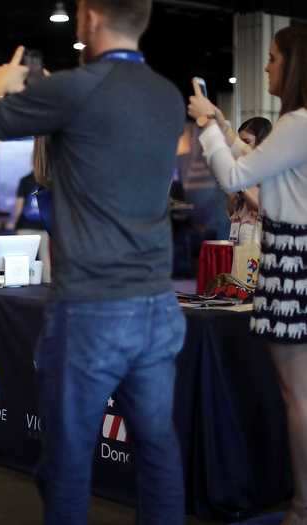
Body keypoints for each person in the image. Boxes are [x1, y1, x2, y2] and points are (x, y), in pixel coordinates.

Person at [0, 0, 187, 523]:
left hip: (92, 308)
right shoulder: (167, 95)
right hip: (158, 303)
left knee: (67, 457)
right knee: (158, 449)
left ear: (88, 18)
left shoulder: (76, 87)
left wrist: (1, 78)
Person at [188, 26, 307, 525]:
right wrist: (221, 122)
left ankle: (303, 507)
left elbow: (235, 177)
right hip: (289, 258)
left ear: (293, 64)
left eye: (274, 57)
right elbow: (255, 165)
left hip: (292, 261)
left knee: (297, 394)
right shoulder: (295, 127)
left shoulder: (298, 123)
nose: (266, 65)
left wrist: (207, 127)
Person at [224, 117, 272, 244]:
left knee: (250, 263)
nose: (241, 148)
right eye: (239, 142)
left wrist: (242, 188)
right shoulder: (241, 169)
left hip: (256, 233)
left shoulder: (269, 169)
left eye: (246, 142)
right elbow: (230, 209)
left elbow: (263, 206)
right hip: (237, 229)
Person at [7, 169, 51, 283]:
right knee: (45, 259)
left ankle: (21, 283)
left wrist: (12, 222)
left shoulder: (25, 180)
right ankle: (48, 286)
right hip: (43, 226)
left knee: (22, 259)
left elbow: (19, 205)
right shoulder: (48, 181)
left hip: (24, 226)